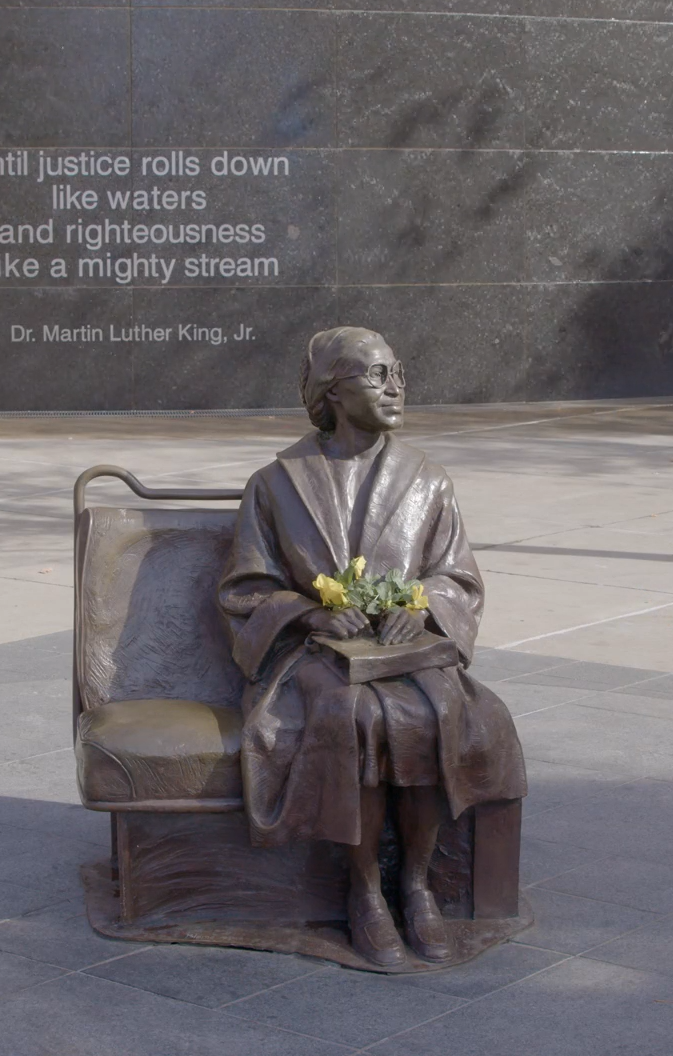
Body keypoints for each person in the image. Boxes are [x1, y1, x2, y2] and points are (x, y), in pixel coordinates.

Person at [217, 326, 527, 966]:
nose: (396, 387)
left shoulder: (429, 481)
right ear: (333, 391)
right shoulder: (275, 485)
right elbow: (244, 589)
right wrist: (306, 614)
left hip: (406, 655)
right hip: (316, 659)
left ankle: (414, 885)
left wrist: (423, 607)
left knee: (431, 713)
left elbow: (457, 575)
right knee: (352, 714)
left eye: (399, 372)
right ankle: (364, 893)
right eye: (377, 374)